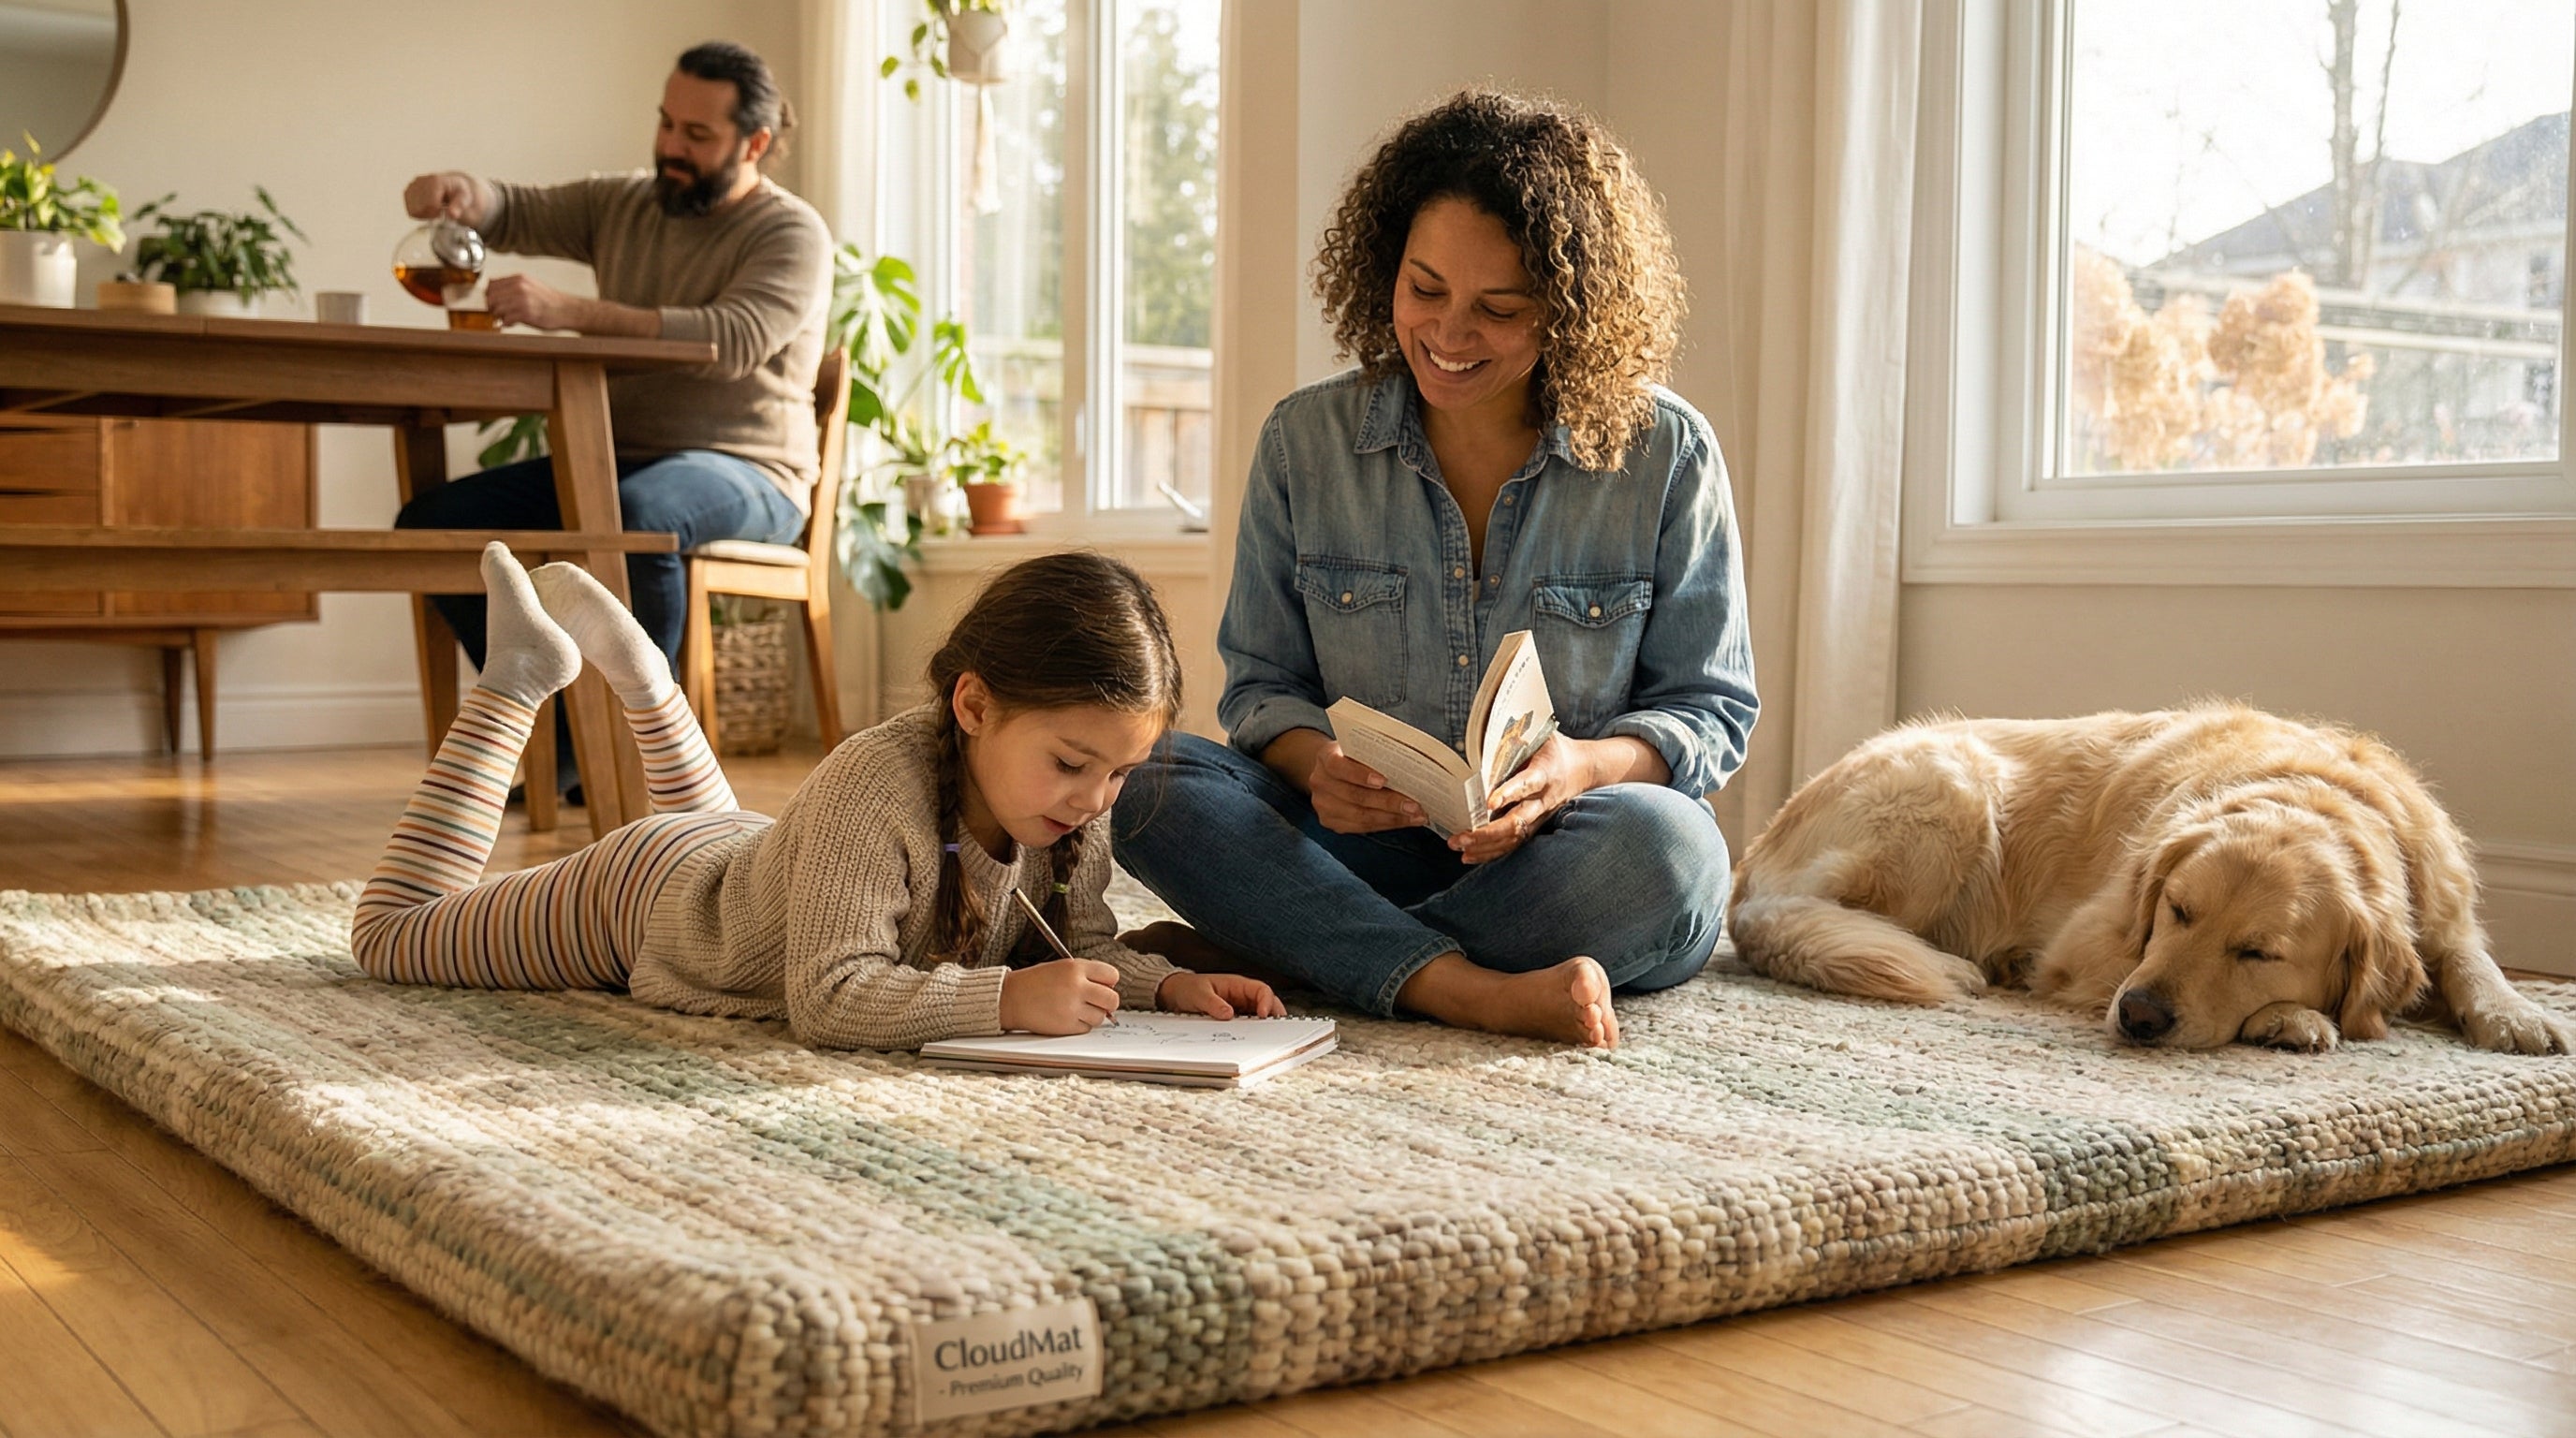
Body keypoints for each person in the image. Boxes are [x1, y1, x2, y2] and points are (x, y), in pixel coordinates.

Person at [1112, 89, 1759, 1050]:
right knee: (1149, 779)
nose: (1449, 336)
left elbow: (1709, 709)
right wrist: (1315, 767)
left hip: (1565, 866)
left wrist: (1578, 770)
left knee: (1671, 856)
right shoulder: (1305, 441)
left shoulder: (1666, 450)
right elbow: (1262, 687)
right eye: (1425, 291)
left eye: (1498, 309)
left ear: (1570, 312)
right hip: (1355, 851)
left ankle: (1309, 956)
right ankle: (1468, 986)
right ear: (1385, 272)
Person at [351, 544, 1282, 1049]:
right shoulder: (872, 787)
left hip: (757, 862)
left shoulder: (1062, 803)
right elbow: (830, 1000)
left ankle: (641, 679)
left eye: (1118, 772)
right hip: (645, 901)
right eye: (1075, 764)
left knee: (732, 843)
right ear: (973, 704)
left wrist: (1169, 985)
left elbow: (1076, 944)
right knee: (391, 938)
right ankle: (519, 675)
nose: (1095, 796)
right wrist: (1002, 1002)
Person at [395, 39, 832, 800]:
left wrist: (570, 313)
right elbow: (518, 209)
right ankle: (570, 743)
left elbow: (728, 339)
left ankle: (643, 769)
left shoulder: (791, 233)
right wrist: (464, 192)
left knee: (639, 516)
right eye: (667, 124)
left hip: (752, 471)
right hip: (617, 461)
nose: (671, 147)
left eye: (697, 136)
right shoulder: (625, 203)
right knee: (437, 521)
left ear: (754, 143)